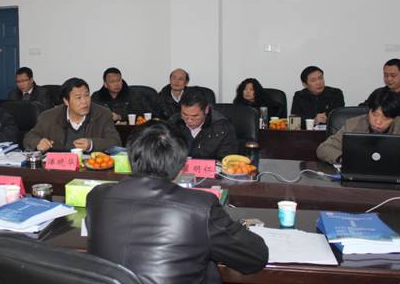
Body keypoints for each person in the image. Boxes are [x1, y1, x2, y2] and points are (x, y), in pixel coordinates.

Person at [86, 121, 268, 284]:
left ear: (129, 158)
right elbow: (255, 257)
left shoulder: (97, 197)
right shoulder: (200, 206)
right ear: (182, 168)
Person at [317, 89, 400, 168]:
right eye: (375, 115)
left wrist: (389, 162)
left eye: (385, 118)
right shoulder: (353, 124)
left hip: (393, 178)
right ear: (369, 110)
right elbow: (323, 149)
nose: (378, 121)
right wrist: (344, 158)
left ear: (394, 118)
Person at [23, 77, 121, 152]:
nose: (84, 101)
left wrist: (91, 144)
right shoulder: (49, 117)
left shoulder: (102, 114)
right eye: (78, 97)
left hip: (90, 168)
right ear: (66, 101)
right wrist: (38, 143)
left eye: (86, 95)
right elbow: (29, 137)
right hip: (59, 168)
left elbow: (115, 142)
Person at [169, 88, 238, 160]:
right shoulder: (173, 123)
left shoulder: (223, 128)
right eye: (184, 114)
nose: (189, 120)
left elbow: (227, 161)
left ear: (206, 110)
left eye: (195, 116)